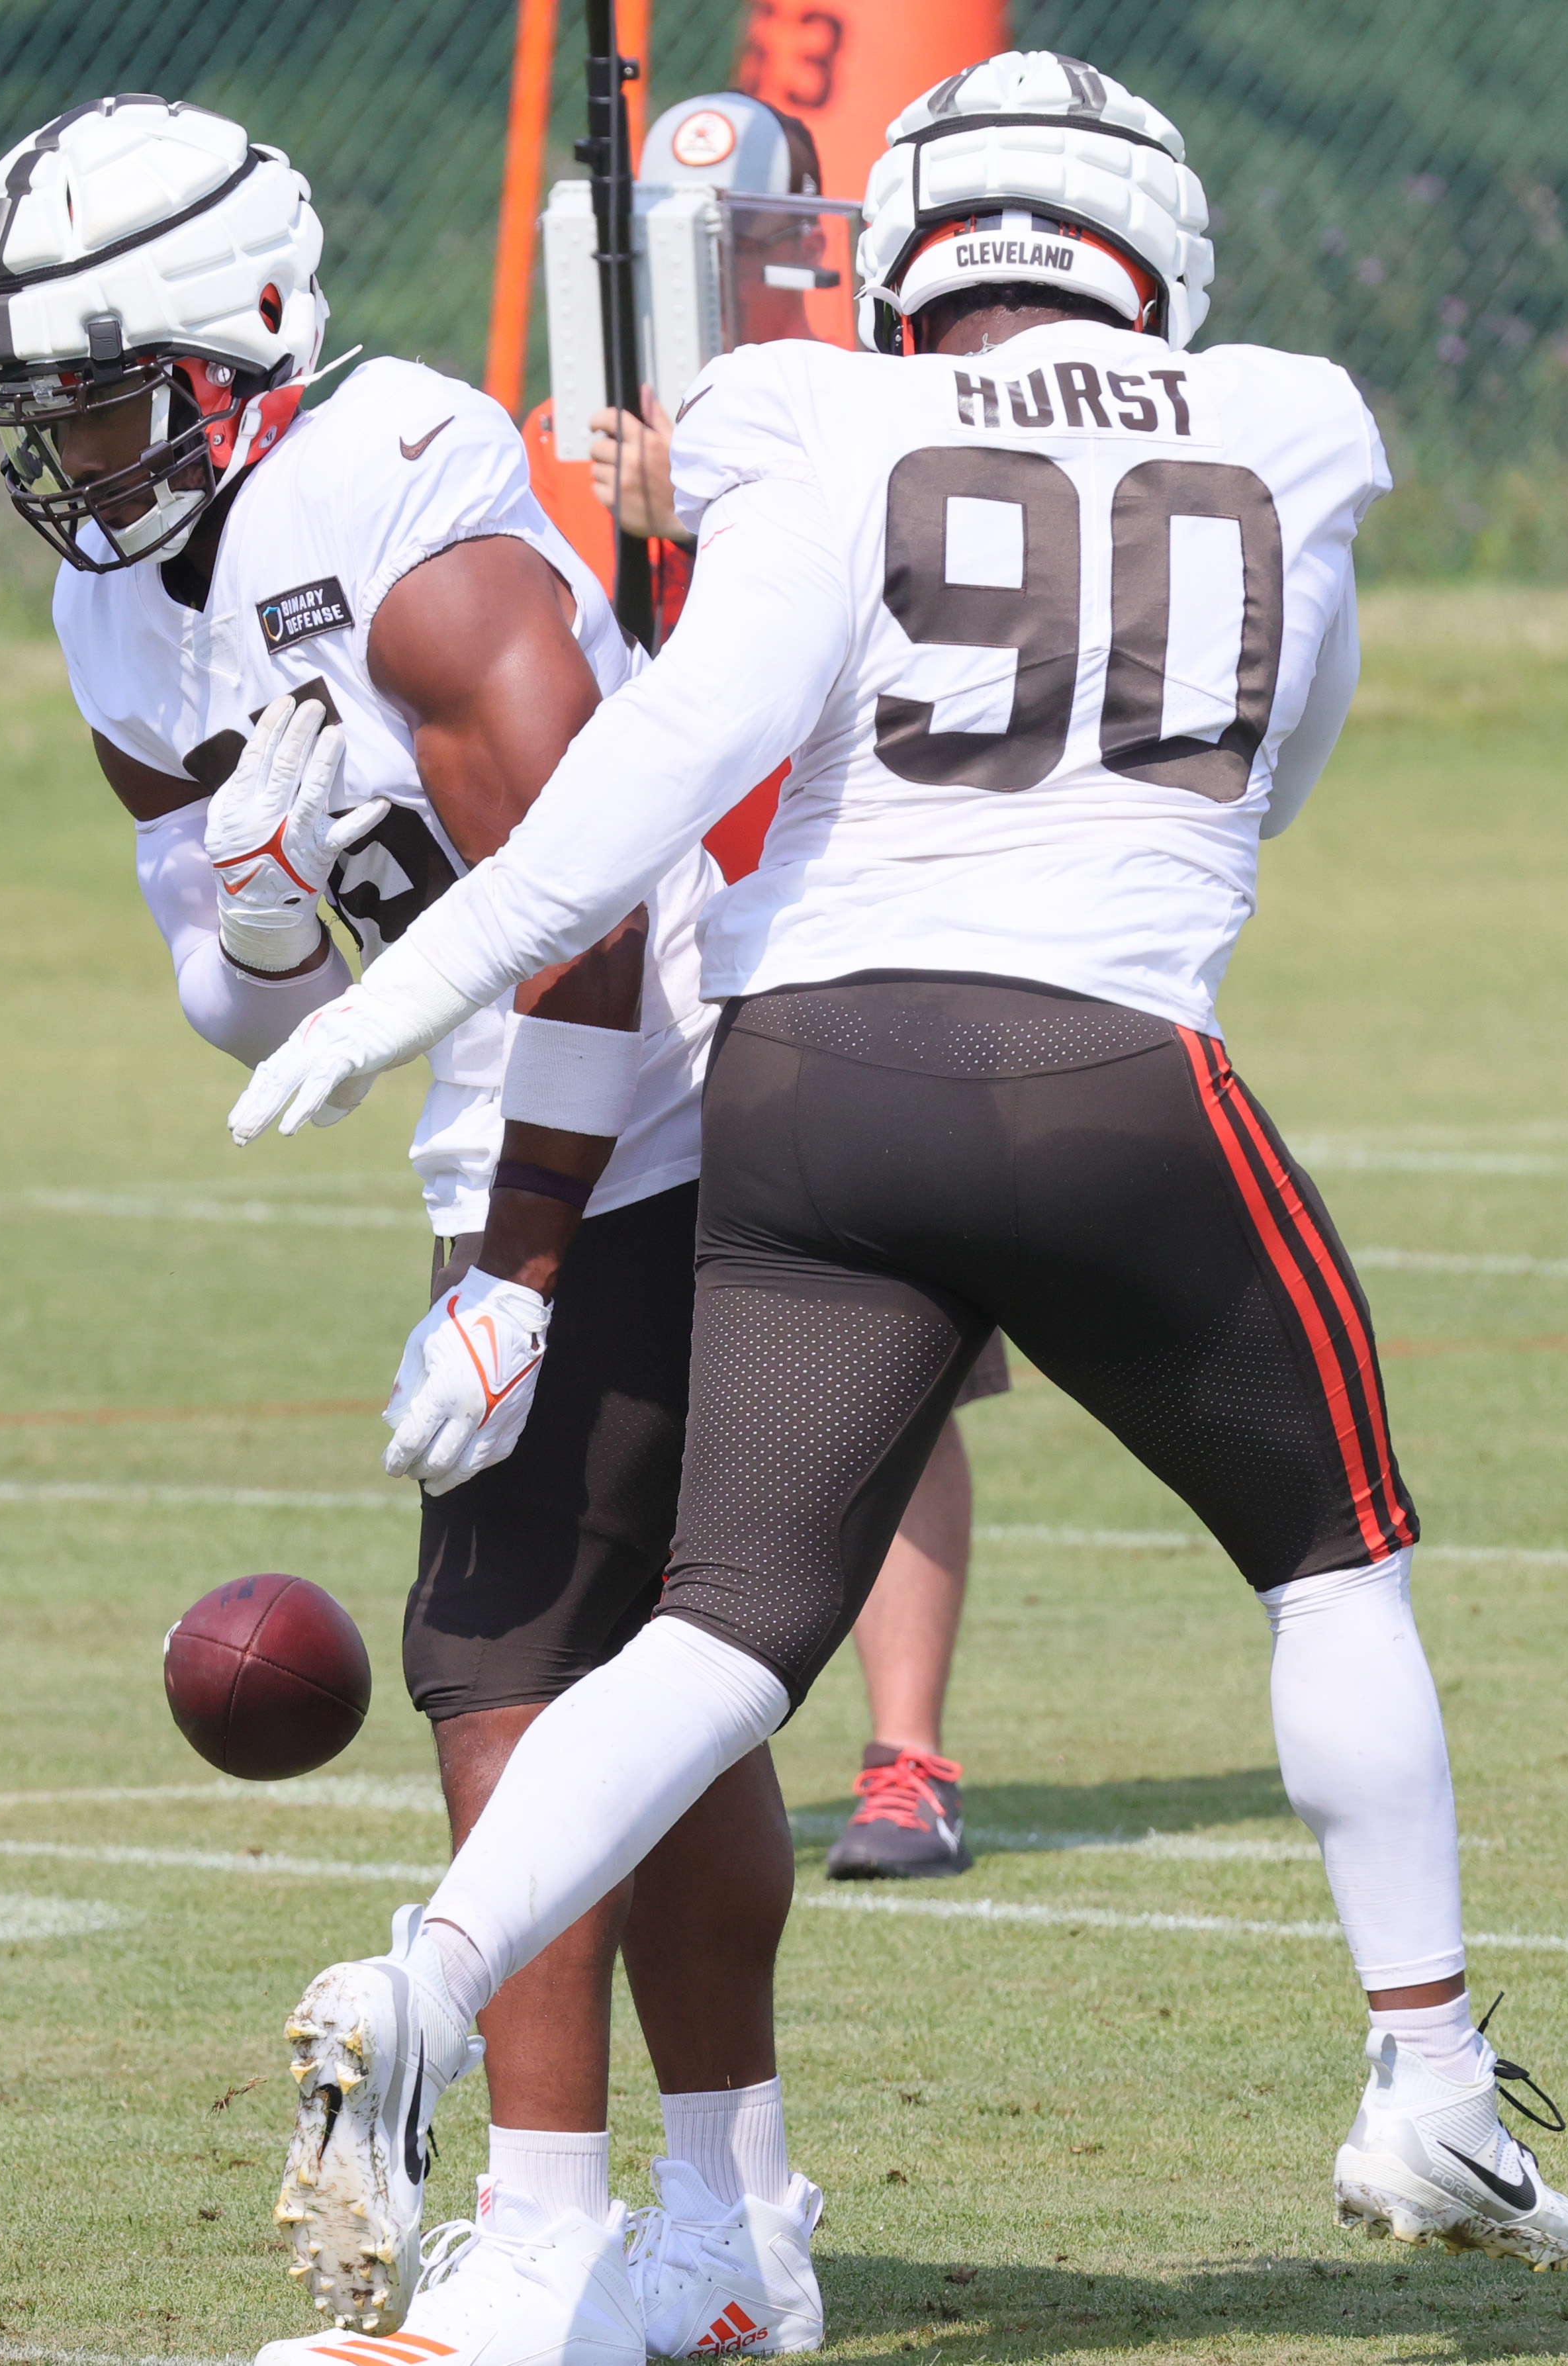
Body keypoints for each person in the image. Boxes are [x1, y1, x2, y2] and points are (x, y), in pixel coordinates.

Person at [231, 50, 1568, 2277]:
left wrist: (396, 996)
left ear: (914, 262)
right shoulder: (1289, 415)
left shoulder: (805, 419)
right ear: (1150, 252)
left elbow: (663, 768)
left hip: (811, 1087)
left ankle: (428, 1980)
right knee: (1334, 1562)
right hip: (1115, 1066)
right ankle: (1431, 2087)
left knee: (717, 1639)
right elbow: (1274, 764)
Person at [0, 95, 826, 2366]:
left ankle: (541, 2259)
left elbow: (598, 895)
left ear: (239, 336)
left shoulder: (384, 489)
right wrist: (258, 901)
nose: (66, 455)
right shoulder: (119, 615)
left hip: (655, 1092)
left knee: (510, 1670)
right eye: (29, 411)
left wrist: (519, 1266)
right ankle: (730, 2236)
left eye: (97, 394)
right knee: (661, 1686)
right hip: (524, 1120)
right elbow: (233, 1001)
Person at [591, 92, 1004, 1882]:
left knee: (903, 1361)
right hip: (657, 933)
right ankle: (632, 1714)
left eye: (763, 236)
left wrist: (690, 518)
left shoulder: (874, 408)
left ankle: (906, 1752)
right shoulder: (579, 425)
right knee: (648, 1336)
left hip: (848, 913)